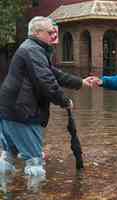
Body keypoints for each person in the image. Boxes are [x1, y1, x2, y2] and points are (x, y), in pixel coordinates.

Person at [0, 16, 93, 177]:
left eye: (54, 32)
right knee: (35, 163)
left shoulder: (32, 49)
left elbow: (54, 73)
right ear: (37, 33)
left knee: (8, 157)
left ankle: (7, 191)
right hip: (23, 113)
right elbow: (46, 81)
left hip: (9, 111)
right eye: (50, 32)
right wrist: (64, 101)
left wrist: (81, 82)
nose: (53, 35)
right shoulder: (33, 50)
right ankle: (35, 193)